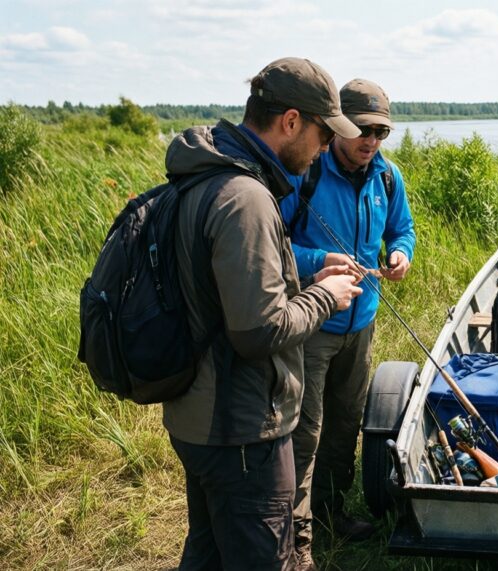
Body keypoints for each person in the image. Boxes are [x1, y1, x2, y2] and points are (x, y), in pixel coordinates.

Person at [162, 57, 365, 570]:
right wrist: (326, 297)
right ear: (291, 121)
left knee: (207, 553)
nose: (324, 148)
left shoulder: (205, 174)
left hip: (197, 416)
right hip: (242, 430)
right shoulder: (246, 196)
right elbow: (259, 330)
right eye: (323, 134)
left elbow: (226, 282)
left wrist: (306, 278)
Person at [279, 78, 416, 568]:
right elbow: (273, 245)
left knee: (345, 424)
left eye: (380, 131)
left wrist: (400, 254)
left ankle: (331, 512)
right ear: (338, 126)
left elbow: (403, 229)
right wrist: (319, 261)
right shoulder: (305, 175)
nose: (371, 141)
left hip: (363, 325)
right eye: (362, 129)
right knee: (305, 431)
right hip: (312, 325)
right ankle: (295, 539)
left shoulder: (387, 178)